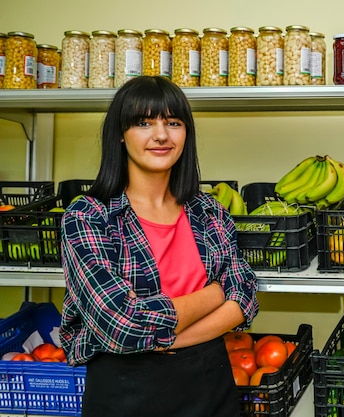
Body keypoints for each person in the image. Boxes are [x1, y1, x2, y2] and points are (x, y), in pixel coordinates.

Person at [59, 75, 259, 417]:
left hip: (209, 388)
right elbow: (121, 324)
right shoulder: (89, 216)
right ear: (121, 134)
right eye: (143, 122)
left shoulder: (208, 211)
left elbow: (244, 296)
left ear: (186, 134)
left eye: (173, 122)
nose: (161, 134)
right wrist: (213, 295)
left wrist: (167, 338)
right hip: (125, 394)